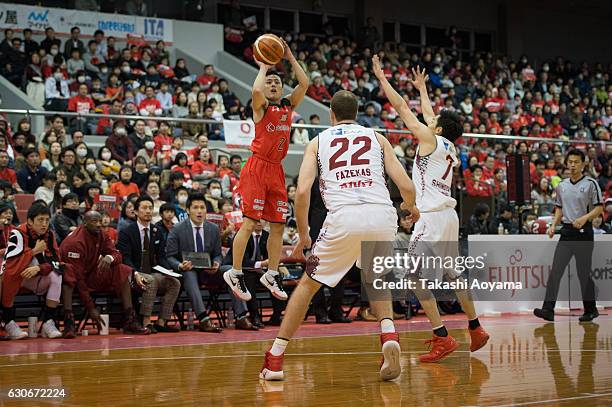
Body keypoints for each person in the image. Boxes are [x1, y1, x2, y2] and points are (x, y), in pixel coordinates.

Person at [259, 90, 419, 382]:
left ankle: (275, 359)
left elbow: (304, 192)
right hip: (382, 215)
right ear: (357, 114)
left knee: (307, 286)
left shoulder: (317, 142)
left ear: (331, 115)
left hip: (344, 217)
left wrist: (304, 234)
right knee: (376, 279)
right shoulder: (377, 138)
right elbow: (407, 186)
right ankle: (388, 336)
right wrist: (411, 208)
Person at [372, 56, 489, 362]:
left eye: (433, 120)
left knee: (412, 276)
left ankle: (441, 336)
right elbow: (428, 114)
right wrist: (422, 88)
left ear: (437, 128)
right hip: (449, 216)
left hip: (433, 216)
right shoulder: (451, 147)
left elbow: (402, 110)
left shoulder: (429, 139)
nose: (429, 119)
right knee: (452, 275)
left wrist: (383, 79)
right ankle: (475, 327)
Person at [223, 38, 309, 303]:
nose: (272, 85)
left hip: (277, 171)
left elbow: (304, 84)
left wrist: (291, 57)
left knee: (279, 225)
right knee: (250, 223)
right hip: (257, 167)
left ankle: (272, 273)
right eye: (269, 82)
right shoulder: (261, 108)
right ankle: (235, 272)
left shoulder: (287, 106)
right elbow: (255, 93)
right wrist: (263, 67)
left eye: (276, 82)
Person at [534, 149, 603, 322]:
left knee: (583, 273)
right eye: (570, 162)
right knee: (555, 271)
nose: (572, 165)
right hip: (566, 232)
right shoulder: (562, 186)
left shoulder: (591, 183)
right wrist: (553, 225)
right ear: (566, 163)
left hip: (584, 232)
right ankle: (548, 310)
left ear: (583, 164)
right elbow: (559, 208)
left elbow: (599, 208)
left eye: (576, 162)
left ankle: (591, 309)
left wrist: (584, 218)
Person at [60, 211, 149, 338]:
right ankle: (69, 321)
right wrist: (91, 308)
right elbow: (79, 279)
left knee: (122, 269)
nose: (98, 225)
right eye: (94, 221)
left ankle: (130, 319)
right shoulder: (75, 243)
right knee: (69, 277)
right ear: (84, 223)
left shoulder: (101, 233)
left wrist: (109, 257)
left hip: (90, 274)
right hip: (72, 279)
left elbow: (118, 255)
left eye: (100, 221)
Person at [166, 193, 236, 333]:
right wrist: (179, 265)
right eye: (195, 207)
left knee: (230, 270)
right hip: (188, 271)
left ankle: (241, 316)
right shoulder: (177, 229)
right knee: (189, 273)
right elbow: (170, 256)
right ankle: (203, 319)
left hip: (208, 271)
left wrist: (216, 263)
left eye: (202, 208)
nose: (199, 211)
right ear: (188, 210)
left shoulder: (213, 229)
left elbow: (217, 254)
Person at [118, 196, 181, 333]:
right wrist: (135, 273)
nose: (148, 211)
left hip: (152, 271)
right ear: (135, 212)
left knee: (174, 283)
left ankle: (161, 321)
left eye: (150, 208)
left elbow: (162, 257)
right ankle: (146, 321)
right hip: (133, 274)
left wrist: (168, 270)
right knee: (150, 281)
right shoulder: (126, 232)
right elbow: (125, 258)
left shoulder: (156, 231)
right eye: (144, 208)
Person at [0, 203, 63, 339]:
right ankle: (9, 323)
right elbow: (10, 264)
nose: (44, 224)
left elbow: (57, 262)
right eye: (40, 220)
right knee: (13, 270)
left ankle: (48, 322)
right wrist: (34, 251)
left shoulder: (50, 235)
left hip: (36, 278)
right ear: (29, 221)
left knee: (57, 275)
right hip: (17, 277)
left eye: (47, 220)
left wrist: (39, 268)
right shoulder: (17, 233)